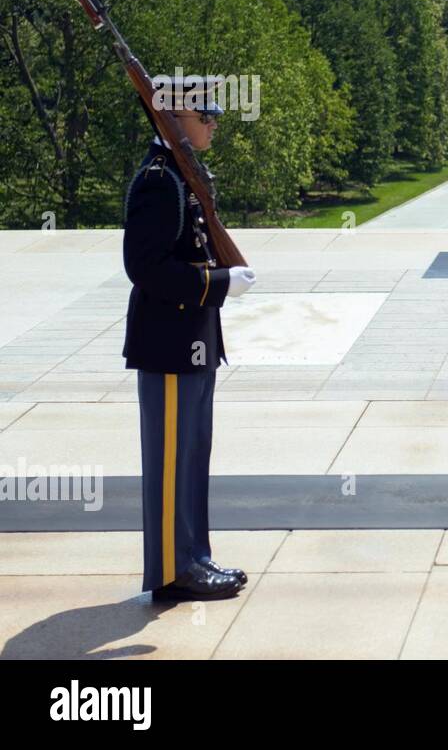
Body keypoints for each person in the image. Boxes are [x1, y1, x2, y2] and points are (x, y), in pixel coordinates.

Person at [124, 76, 259, 602]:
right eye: (206, 118)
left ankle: (194, 558)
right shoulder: (160, 181)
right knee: (170, 460)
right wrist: (219, 282)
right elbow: (146, 267)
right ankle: (172, 571)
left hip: (193, 339)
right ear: (174, 119)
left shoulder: (181, 174)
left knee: (192, 454)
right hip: (169, 342)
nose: (213, 126)